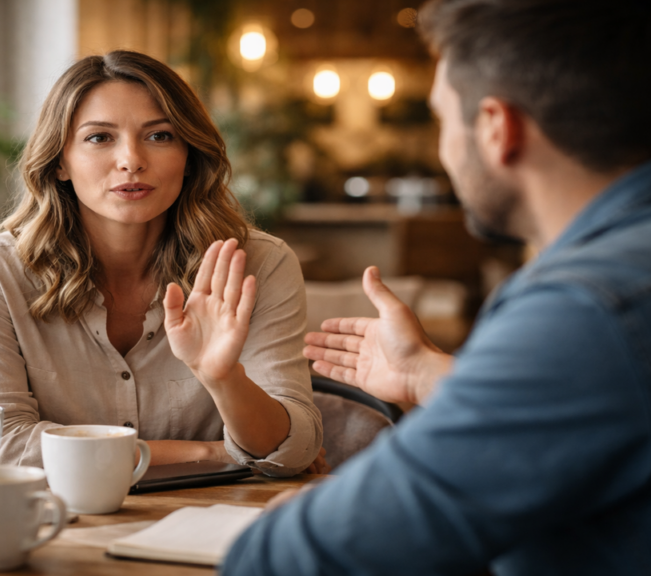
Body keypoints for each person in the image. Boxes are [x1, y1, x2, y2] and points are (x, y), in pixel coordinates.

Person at [223, 0, 651, 574]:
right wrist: (426, 373)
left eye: (443, 118)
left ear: (498, 129)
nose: (447, 149)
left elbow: (305, 555)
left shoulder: (586, 310)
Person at [0, 50, 326, 475]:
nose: (131, 160)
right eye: (99, 138)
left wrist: (223, 378)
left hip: (213, 524)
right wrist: (209, 453)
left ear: (189, 157)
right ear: (58, 162)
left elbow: (291, 452)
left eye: (159, 136)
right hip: (56, 525)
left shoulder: (259, 264)